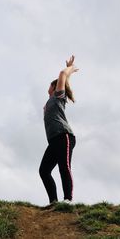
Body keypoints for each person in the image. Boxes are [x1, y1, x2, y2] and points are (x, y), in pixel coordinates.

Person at [39, 55, 79, 206]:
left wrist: (70, 69)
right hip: (54, 140)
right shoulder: (49, 101)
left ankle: (68, 200)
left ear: (55, 87)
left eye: (51, 84)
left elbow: (62, 75)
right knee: (44, 171)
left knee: (64, 167)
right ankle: (53, 203)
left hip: (64, 136)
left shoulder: (58, 96)